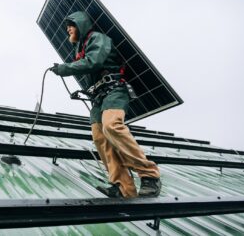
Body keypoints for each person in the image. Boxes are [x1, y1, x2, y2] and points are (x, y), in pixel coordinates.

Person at [50, 11, 161, 198]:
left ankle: (149, 175)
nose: (67, 29)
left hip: (114, 90)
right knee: (100, 138)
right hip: (98, 96)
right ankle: (123, 187)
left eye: (70, 24)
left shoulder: (97, 38)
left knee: (112, 126)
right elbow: (88, 65)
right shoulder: (81, 48)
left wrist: (64, 68)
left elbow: (94, 62)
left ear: (81, 24)